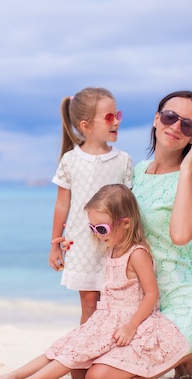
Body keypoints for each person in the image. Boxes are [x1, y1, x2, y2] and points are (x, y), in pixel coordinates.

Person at [70, 90, 192, 379]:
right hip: (138, 307)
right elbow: (112, 226)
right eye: (169, 117)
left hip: (180, 306)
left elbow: (179, 235)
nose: (175, 127)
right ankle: (179, 355)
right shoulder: (136, 172)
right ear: (156, 119)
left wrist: (187, 168)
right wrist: (69, 239)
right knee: (79, 372)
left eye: (187, 125)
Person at [0, 184, 189, 379]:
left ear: (126, 223)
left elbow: (152, 294)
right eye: (93, 228)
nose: (97, 234)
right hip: (106, 319)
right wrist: (63, 246)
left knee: (83, 366)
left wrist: (130, 326)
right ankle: (15, 375)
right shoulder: (110, 249)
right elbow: (80, 241)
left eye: (102, 228)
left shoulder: (137, 254)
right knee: (68, 353)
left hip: (130, 321)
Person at [49, 87, 133, 325]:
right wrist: (55, 244)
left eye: (117, 115)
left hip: (116, 245)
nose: (116, 121)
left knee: (115, 303)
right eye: (108, 117)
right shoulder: (71, 160)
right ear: (85, 125)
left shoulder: (123, 160)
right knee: (89, 305)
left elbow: (129, 204)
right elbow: (62, 204)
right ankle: (84, 355)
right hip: (82, 245)